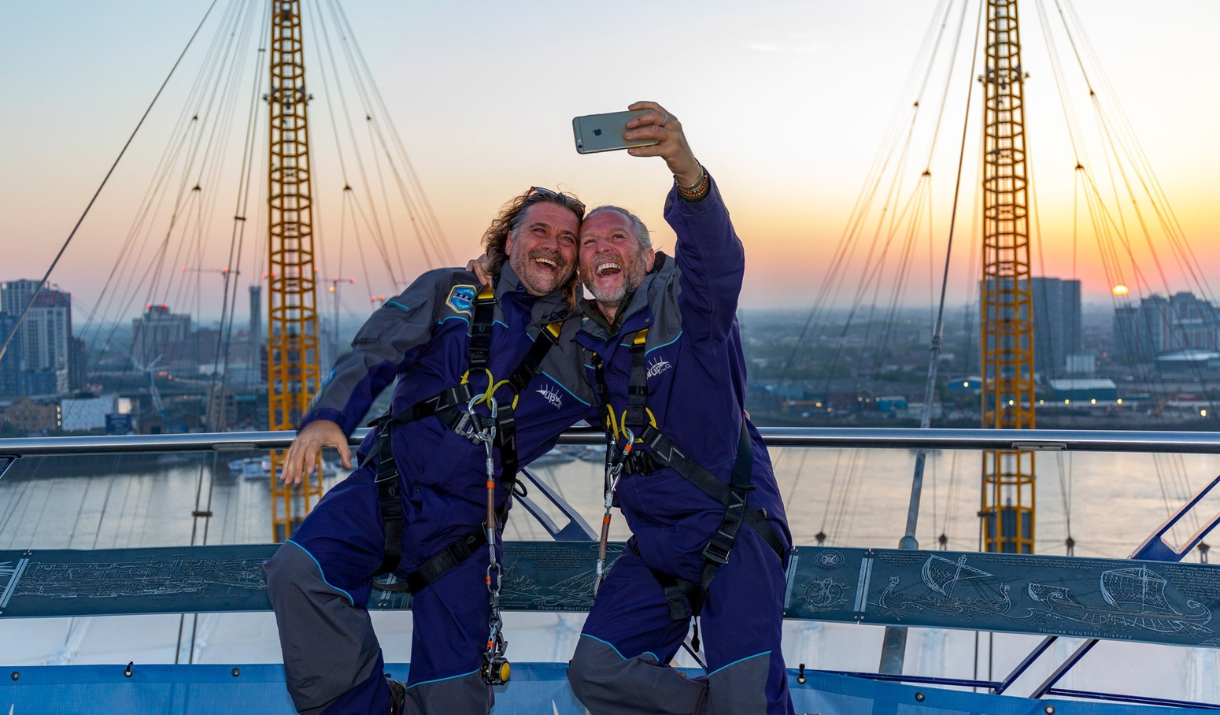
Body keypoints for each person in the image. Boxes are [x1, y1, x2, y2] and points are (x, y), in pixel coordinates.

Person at [263, 187, 596, 715]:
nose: (552, 245)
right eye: (539, 230)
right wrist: (329, 415)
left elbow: (646, 397)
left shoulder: (584, 348)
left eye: (568, 239)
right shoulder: (451, 290)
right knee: (298, 573)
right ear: (509, 241)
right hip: (386, 487)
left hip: (465, 524)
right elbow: (378, 347)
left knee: (454, 696)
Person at [564, 102, 795, 715]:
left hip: (734, 530)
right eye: (589, 242)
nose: (602, 247)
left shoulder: (692, 311)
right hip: (660, 547)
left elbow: (716, 259)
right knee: (596, 672)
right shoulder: (583, 345)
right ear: (581, 269)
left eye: (618, 237)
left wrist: (684, 169)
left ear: (643, 257)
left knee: (749, 701)